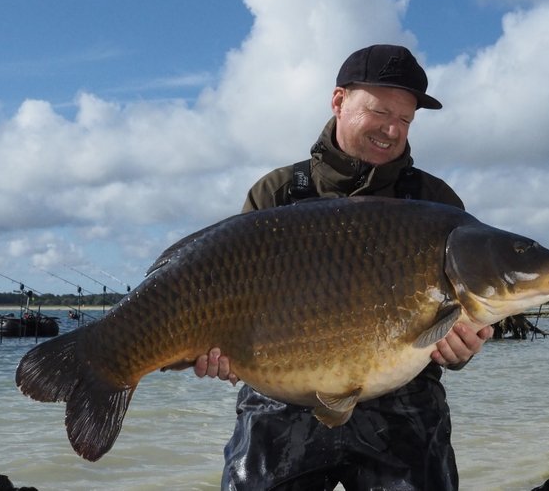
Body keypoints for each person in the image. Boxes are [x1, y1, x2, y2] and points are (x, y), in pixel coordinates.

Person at [195, 44, 493, 490]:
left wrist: (463, 350)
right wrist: (214, 352)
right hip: (282, 401)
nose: (392, 130)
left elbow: (453, 324)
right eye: (379, 112)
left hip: (403, 403)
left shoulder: (437, 204)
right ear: (339, 101)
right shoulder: (276, 194)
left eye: (406, 119)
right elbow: (226, 309)